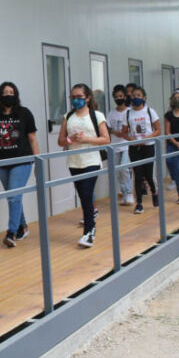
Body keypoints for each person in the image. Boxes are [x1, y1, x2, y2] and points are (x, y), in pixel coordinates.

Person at [0, 82, 39, 248]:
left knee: (14, 196)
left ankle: (11, 232)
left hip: (22, 161)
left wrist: (38, 162)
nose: (8, 95)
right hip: (1, 163)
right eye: (5, 92)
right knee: (13, 196)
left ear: (16, 95)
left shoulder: (25, 113)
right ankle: (23, 227)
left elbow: (32, 139)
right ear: (0, 95)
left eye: (11, 92)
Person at [58, 83, 110, 248]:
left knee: (87, 194)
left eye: (79, 97)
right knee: (83, 195)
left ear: (87, 98)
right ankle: (90, 224)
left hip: (91, 161)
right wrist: (71, 139)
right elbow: (61, 141)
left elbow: (106, 139)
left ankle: (89, 231)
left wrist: (87, 139)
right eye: (73, 97)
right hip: (74, 162)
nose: (76, 100)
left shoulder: (97, 116)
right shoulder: (68, 116)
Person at [123, 87, 161, 214]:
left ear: (144, 97)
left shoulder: (150, 111)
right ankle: (139, 203)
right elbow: (124, 132)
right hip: (135, 148)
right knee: (138, 176)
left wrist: (147, 138)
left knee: (148, 175)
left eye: (139, 95)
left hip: (148, 146)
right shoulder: (128, 113)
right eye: (133, 95)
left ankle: (154, 192)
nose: (136, 98)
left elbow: (158, 130)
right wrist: (131, 139)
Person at [106, 85, 134, 205]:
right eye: (116, 96)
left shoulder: (130, 112)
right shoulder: (111, 114)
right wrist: (114, 132)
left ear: (125, 97)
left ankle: (129, 193)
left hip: (127, 145)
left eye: (121, 96)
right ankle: (124, 193)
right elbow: (107, 128)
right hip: (115, 145)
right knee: (118, 171)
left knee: (124, 168)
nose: (119, 98)